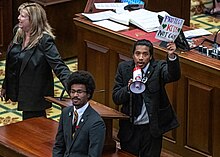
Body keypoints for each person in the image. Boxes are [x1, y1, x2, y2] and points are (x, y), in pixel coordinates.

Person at [0, 2, 71, 120]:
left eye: (22, 16)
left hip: (35, 93)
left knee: (34, 128)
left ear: (33, 20)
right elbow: (13, 62)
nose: (18, 18)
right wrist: (5, 85)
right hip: (20, 89)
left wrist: (72, 87)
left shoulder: (45, 41)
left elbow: (59, 66)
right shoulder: (18, 32)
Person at [112, 39, 180, 157]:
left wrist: (172, 56)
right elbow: (116, 97)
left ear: (151, 56)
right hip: (130, 129)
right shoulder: (124, 68)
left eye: (145, 54)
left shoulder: (158, 68)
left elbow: (173, 75)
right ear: (133, 55)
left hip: (151, 129)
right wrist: (128, 89)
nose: (141, 58)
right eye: (137, 54)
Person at [53, 70, 106, 157]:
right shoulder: (66, 113)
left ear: (88, 94)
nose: (75, 95)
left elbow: (94, 155)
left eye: (79, 92)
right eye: (72, 91)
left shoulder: (96, 122)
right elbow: (59, 145)